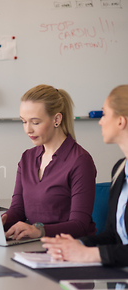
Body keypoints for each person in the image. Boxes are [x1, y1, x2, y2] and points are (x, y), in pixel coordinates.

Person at [43, 85, 128, 266]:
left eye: (104, 114)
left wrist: (88, 255)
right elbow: (114, 236)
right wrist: (77, 244)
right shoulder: (120, 169)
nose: (100, 121)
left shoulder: (80, 159)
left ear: (121, 121)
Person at [2, 84, 97, 240]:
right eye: (24, 121)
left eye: (35, 122)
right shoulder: (27, 158)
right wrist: (2, 220)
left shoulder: (80, 161)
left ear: (57, 119)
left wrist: (39, 230)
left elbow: (80, 225)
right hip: (35, 244)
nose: (28, 130)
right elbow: (18, 210)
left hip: (70, 248)